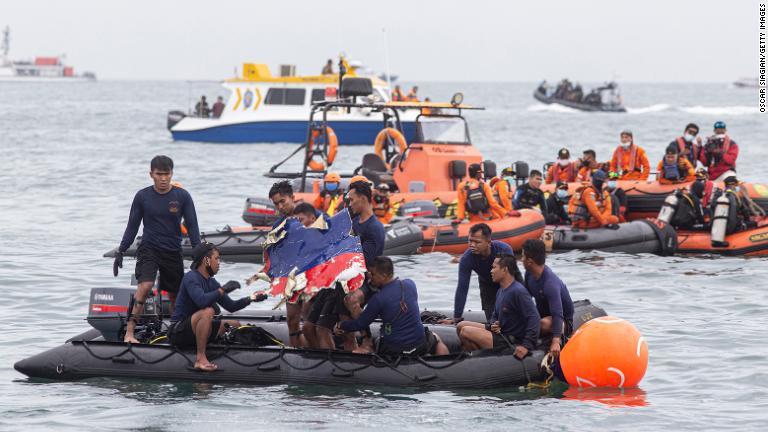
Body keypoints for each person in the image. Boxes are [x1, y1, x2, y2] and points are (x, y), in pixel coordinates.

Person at [114, 155, 201, 344]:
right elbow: (132, 226)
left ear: (172, 174)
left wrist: (199, 253)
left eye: (166, 174)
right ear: (151, 174)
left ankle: (176, 332)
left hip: (172, 251)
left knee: (176, 295)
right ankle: (130, 332)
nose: (163, 179)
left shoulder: (182, 196)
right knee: (145, 287)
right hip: (149, 249)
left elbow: (193, 227)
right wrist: (121, 250)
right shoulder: (142, 196)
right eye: (159, 174)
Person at [169, 243, 266, 371]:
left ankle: (215, 349)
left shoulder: (211, 282)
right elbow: (201, 301)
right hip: (178, 331)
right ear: (206, 260)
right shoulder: (191, 277)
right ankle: (200, 358)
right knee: (208, 311)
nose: (219, 262)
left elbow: (231, 306)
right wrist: (222, 290)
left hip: (195, 327)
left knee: (235, 324)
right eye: (217, 258)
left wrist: (251, 299)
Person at [336, 257, 449, 356]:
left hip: (394, 349)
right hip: (419, 345)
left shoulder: (378, 299)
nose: (369, 277)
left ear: (384, 275)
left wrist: (341, 325)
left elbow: (360, 324)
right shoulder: (410, 284)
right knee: (436, 339)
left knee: (376, 343)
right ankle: (444, 368)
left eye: (373, 274)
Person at [455, 254, 540, 357]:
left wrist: (526, 345)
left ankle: (478, 358)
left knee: (465, 331)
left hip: (509, 340)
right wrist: (493, 324)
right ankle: (479, 355)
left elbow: (534, 318)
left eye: (494, 267)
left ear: (504, 270)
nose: (491, 271)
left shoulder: (518, 291)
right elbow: (495, 316)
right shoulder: (501, 291)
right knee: (461, 325)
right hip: (500, 333)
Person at [445, 223, 514, 322]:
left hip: (506, 283)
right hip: (486, 285)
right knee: (492, 319)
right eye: (470, 241)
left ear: (489, 243)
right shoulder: (466, 259)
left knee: (508, 313)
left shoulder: (504, 250)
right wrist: (456, 317)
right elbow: (462, 288)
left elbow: (512, 278)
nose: (472, 245)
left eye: (477, 242)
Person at [521, 239, 574, 357]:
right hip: (542, 314)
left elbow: (557, 314)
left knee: (542, 324)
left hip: (562, 321)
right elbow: (525, 299)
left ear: (529, 261)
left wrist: (556, 341)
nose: (521, 259)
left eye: (523, 256)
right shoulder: (529, 274)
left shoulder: (550, 283)